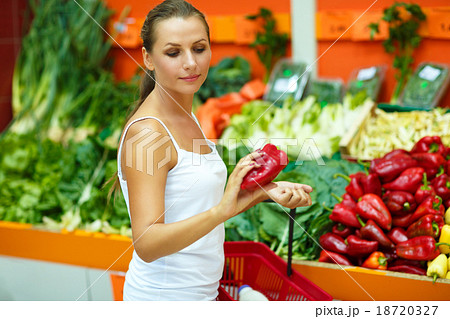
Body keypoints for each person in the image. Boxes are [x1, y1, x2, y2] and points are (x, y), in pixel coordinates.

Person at [112, 0, 313, 301]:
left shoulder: (188, 115)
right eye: (173, 52)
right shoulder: (147, 133)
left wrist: (262, 192)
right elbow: (147, 243)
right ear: (148, 59)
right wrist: (221, 211)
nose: (191, 62)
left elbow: (196, 208)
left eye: (199, 48)